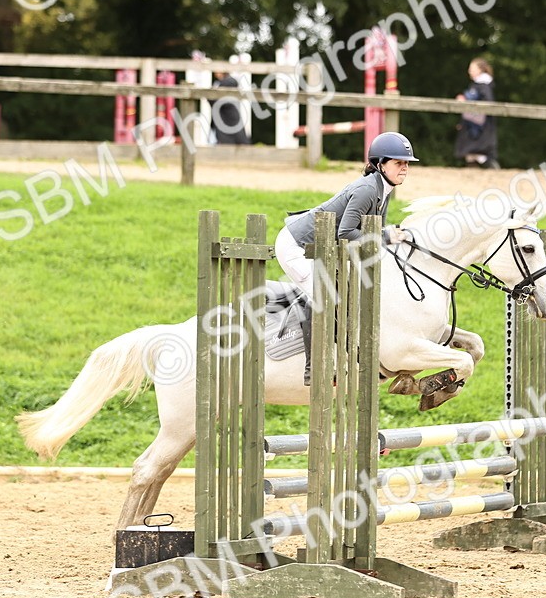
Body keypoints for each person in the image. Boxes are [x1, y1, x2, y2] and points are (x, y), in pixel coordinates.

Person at [275, 131, 418, 384]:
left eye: (406, 163)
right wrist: (385, 236)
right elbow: (347, 232)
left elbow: (371, 233)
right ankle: (312, 368)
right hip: (296, 246)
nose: (404, 168)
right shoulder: (366, 190)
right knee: (322, 295)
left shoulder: (383, 190)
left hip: (323, 248)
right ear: (380, 164)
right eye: (398, 163)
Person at [453, 57, 499, 169]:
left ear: (480, 70)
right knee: (470, 153)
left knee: (478, 151)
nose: (469, 71)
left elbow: (486, 103)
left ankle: (491, 166)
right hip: (472, 122)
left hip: (480, 125)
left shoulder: (483, 86)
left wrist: (466, 100)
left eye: (472, 68)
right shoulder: (477, 85)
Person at [210, 70, 251, 145]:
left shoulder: (229, 82)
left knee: (236, 143)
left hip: (229, 119)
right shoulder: (221, 83)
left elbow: (214, 100)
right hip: (224, 120)